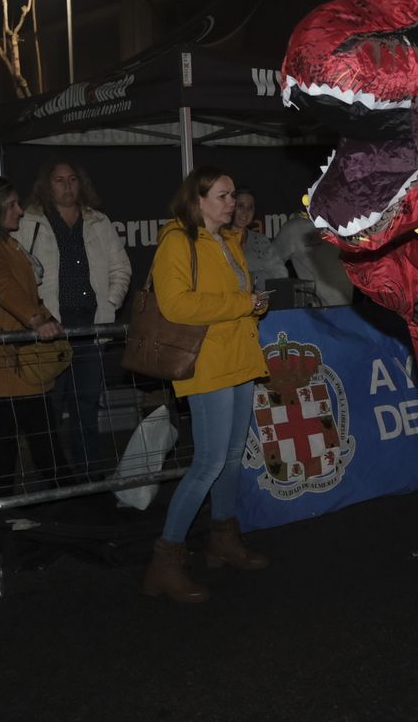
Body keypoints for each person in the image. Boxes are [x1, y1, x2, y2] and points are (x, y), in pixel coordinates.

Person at [143, 167, 270, 604]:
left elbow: (228, 300)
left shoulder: (226, 242)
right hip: (207, 364)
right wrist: (242, 304)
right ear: (196, 201)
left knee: (231, 458)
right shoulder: (178, 241)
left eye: (233, 194)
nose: (231, 202)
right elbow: (176, 305)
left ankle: (222, 538)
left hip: (236, 360)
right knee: (210, 462)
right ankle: (166, 557)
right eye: (222, 195)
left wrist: (251, 306)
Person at [15, 160, 130, 477]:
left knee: (87, 405)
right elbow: (17, 274)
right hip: (52, 328)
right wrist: (36, 316)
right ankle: (52, 476)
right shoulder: (30, 222)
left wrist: (109, 303)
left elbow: (121, 267)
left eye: (72, 179)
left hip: (91, 328)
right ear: (46, 185)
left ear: (81, 184)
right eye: (59, 180)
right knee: (50, 407)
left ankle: (89, 473)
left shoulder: (98, 222)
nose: (66, 186)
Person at [0, 177, 64, 497]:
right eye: (11, 205)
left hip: (16, 356)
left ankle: (4, 508)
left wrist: (44, 319)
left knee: (21, 436)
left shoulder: (3, 242)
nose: (20, 211)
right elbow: (2, 286)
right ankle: (59, 496)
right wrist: (37, 320)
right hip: (8, 357)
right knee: (28, 436)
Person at [231, 187, 287, 286]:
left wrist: (251, 277)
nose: (245, 212)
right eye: (240, 206)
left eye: (250, 207)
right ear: (231, 207)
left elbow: (281, 275)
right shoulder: (218, 239)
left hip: (258, 300)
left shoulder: (261, 241)